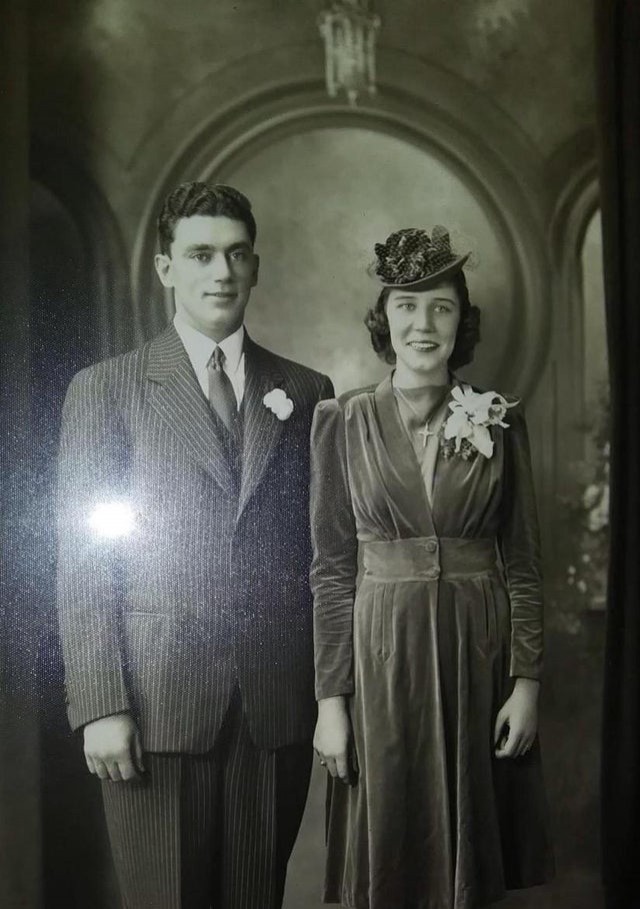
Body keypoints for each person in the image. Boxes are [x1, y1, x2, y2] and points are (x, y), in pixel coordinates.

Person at [56, 181, 334, 909]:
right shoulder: (107, 389)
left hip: (273, 709)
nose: (222, 272)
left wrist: (329, 693)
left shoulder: (306, 391)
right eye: (202, 254)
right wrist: (101, 704)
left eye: (237, 255)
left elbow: (323, 556)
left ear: (256, 266)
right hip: (153, 706)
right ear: (165, 267)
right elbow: (85, 561)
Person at [310, 227, 554, 909]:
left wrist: (526, 682)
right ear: (385, 319)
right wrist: (331, 702)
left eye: (441, 307)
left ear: (461, 322)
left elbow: (526, 564)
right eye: (407, 306)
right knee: (387, 857)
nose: (424, 324)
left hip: (480, 653)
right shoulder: (341, 420)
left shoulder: (500, 420)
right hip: (381, 658)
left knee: (471, 862)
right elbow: (330, 570)